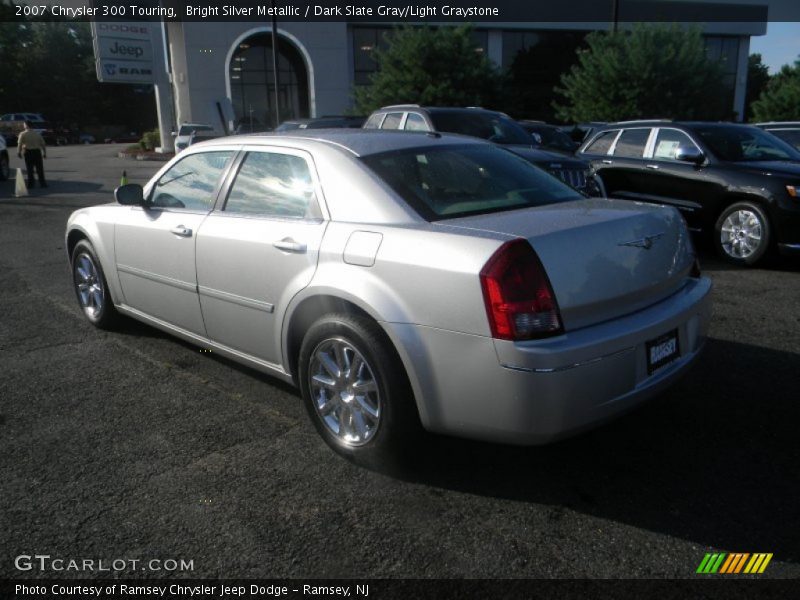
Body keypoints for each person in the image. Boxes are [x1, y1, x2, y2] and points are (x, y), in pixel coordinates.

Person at [17, 121, 47, 188]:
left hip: (28, 152)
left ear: (26, 125)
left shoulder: (22, 134)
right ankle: (43, 183)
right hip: (37, 152)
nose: (23, 126)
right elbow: (43, 144)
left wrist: (18, 152)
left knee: (29, 168)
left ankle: (31, 184)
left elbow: (19, 144)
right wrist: (44, 153)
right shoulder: (37, 134)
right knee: (39, 168)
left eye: (24, 124)